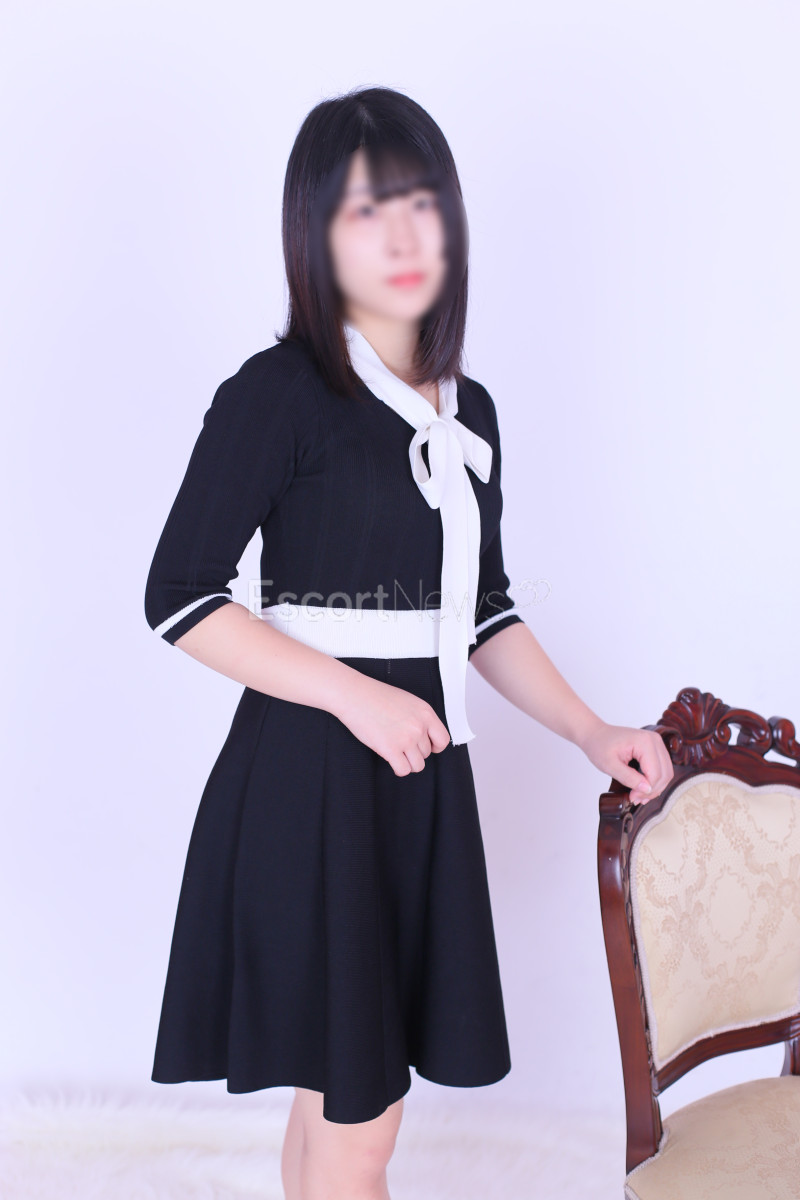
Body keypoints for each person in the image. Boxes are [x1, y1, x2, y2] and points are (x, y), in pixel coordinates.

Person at [144, 85, 674, 1200]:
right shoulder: (277, 393)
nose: (399, 237)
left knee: (335, 1108)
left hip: (418, 784)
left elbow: (480, 611)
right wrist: (355, 696)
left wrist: (590, 731)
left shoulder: (468, 412)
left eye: (419, 205)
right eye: (363, 211)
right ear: (314, 234)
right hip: (309, 791)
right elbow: (180, 597)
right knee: (359, 1129)